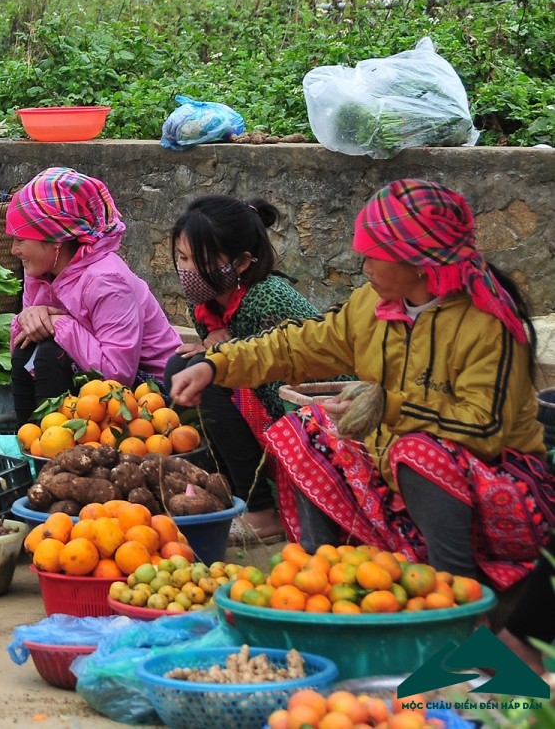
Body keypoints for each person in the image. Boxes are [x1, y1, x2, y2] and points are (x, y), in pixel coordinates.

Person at [170, 179, 555, 591]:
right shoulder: (370, 307)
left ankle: (457, 592)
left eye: (374, 255)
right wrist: (214, 365)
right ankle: (327, 576)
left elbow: (484, 426)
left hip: (500, 491)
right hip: (395, 471)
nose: (364, 266)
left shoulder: (488, 323)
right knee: (307, 428)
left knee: (418, 450)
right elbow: (295, 346)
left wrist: (389, 407)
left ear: (418, 259)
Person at [165, 196, 322, 543]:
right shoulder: (206, 300)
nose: (186, 269)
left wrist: (218, 354)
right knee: (184, 366)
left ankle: (262, 509)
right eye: (181, 257)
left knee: (203, 376)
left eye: (198, 260)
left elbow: (274, 384)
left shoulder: (266, 298)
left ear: (240, 264)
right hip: (260, 405)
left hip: (304, 413)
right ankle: (221, 492)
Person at [6, 167, 180, 423]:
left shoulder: (106, 280)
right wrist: (27, 319)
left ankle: (54, 451)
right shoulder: (40, 270)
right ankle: (30, 444)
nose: (13, 250)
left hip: (153, 394)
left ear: (55, 239)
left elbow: (117, 375)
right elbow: (24, 339)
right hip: (97, 380)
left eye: (20, 239)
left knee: (50, 354)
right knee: (28, 347)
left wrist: (59, 323)